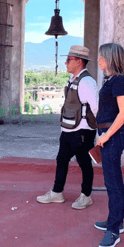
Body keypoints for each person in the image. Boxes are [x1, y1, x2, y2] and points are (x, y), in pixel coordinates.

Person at [37, 45, 98, 209]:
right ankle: (57, 193)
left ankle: (86, 196)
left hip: (83, 131)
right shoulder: (72, 80)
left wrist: (99, 133)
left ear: (78, 61)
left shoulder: (87, 82)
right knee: (61, 160)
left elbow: (96, 108)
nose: (65, 63)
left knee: (84, 162)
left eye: (69, 60)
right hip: (68, 129)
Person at [94, 43, 124, 247]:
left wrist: (106, 135)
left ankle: (114, 230)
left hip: (114, 136)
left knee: (113, 182)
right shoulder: (110, 81)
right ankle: (115, 220)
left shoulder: (118, 81)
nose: (99, 60)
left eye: (101, 57)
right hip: (108, 135)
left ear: (110, 59)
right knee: (111, 181)